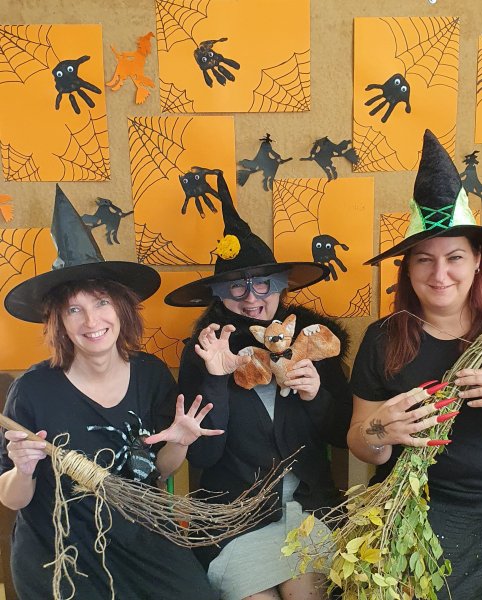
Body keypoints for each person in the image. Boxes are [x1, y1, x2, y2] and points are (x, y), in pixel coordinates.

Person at [348, 130, 482, 598]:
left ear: (479, 260)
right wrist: (382, 430)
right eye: (424, 260)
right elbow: (361, 443)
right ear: (407, 267)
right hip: (420, 509)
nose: (440, 275)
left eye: (454, 257)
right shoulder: (383, 338)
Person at [0, 186, 219, 599]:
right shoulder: (32, 391)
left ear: (121, 307)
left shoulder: (151, 375)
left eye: (101, 302)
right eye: (74, 309)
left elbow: (158, 471)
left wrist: (180, 442)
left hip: (142, 538)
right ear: (59, 322)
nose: (91, 321)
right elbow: (13, 499)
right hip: (61, 549)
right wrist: (22, 469)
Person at [163, 172, 353, 600]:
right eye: (237, 287)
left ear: (280, 285)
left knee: (305, 591)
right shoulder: (205, 350)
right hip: (235, 521)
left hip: (309, 513)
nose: (251, 298)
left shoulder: (313, 341)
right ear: (220, 294)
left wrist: (315, 395)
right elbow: (204, 456)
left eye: (262, 283)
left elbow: (343, 434)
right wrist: (215, 379)